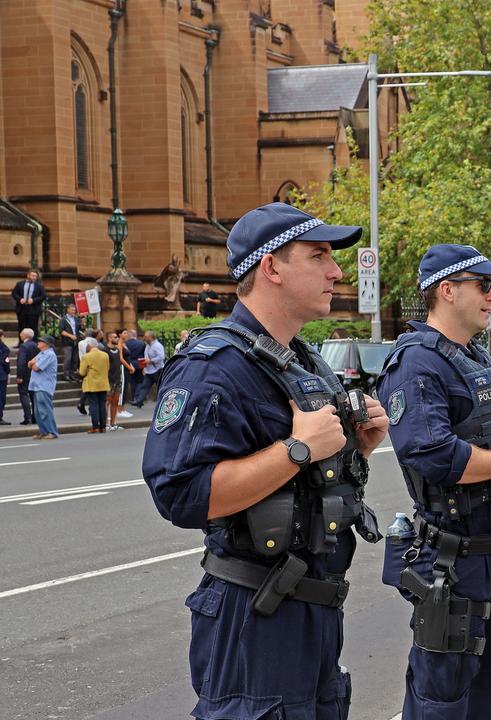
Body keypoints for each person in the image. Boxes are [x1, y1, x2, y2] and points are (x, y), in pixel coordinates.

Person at [141, 202, 388, 719]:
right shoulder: (214, 365)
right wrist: (296, 450)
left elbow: (309, 481)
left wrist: (354, 449)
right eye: (318, 255)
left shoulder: (304, 360)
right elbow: (181, 494)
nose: (336, 271)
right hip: (255, 617)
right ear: (271, 266)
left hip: (315, 611)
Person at [377, 244, 491, 720]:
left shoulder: (472, 356)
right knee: (443, 695)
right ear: (447, 289)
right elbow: (431, 452)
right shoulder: (418, 362)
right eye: (483, 286)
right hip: (453, 561)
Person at [28, 335, 58, 439]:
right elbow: (29, 364)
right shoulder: (41, 353)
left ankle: (52, 432)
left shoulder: (49, 354)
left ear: (47, 344)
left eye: (41, 341)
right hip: (37, 385)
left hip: (44, 386)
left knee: (45, 410)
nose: (38, 342)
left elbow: (36, 367)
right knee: (38, 411)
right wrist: (33, 363)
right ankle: (44, 431)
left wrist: (33, 363)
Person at [77, 337, 109, 433]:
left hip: (91, 384)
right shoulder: (105, 355)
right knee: (102, 405)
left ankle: (95, 426)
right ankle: (103, 426)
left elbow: (82, 372)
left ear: (90, 345)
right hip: (103, 383)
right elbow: (107, 368)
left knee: (93, 405)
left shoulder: (86, 356)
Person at [132, 330, 166, 407]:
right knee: (145, 386)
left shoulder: (157, 345)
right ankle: (139, 401)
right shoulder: (148, 346)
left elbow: (161, 357)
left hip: (158, 370)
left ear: (150, 337)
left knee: (160, 386)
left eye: (146, 336)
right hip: (149, 370)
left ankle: (162, 401)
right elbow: (146, 356)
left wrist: (151, 361)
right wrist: (144, 367)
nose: (144, 338)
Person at [11, 269, 45, 335]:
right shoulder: (20, 284)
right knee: (21, 327)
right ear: (28, 275)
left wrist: (33, 300)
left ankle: (34, 342)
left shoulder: (39, 286)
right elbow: (14, 293)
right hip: (22, 309)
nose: (34, 277)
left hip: (33, 309)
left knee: (33, 327)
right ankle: (21, 343)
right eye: (32, 275)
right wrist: (20, 299)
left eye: (35, 276)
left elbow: (43, 296)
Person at [15, 328, 37, 425]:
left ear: (26, 336)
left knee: (24, 396)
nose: (20, 335)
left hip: (25, 376)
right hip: (34, 375)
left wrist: (19, 376)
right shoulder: (36, 345)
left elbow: (21, 362)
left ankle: (27, 417)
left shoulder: (24, 346)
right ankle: (35, 417)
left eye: (22, 333)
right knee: (33, 397)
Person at [103, 331, 125, 430]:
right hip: (109, 379)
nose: (117, 339)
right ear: (110, 338)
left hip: (117, 378)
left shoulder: (117, 350)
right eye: (115, 337)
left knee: (115, 401)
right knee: (107, 401)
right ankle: (105, 423)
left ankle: (113, 423)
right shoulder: (105, 350)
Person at [58, 303, 82, 382]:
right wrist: (70, 336)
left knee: (74, 359)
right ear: (68, 310)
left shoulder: (76, 319)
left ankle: (72, 374)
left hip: (76, 341)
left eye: (74, 310)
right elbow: (61, 331)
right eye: (72, 310)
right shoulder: (63, 319)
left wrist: (82, 322)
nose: (73, 311)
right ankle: (66, 375)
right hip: (67, 342)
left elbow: (79, 329)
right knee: (68, 358)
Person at [0, 329, 9, 425]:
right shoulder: (4, 348)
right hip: (1, 375)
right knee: (1, 397)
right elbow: (5, 362)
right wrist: (8, 373)